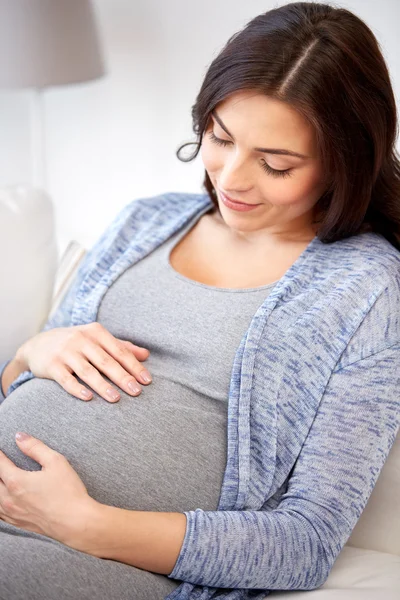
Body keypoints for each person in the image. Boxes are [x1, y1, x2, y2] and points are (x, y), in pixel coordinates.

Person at [0, 2, 400, 599]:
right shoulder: (144, 221)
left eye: (276, 163)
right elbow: (17, 387)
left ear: (344, 162)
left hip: (78, 556)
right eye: (220, 137)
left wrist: (87, 525)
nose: (232, 178)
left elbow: (307, 543)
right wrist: (33, 352)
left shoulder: (365, 287)